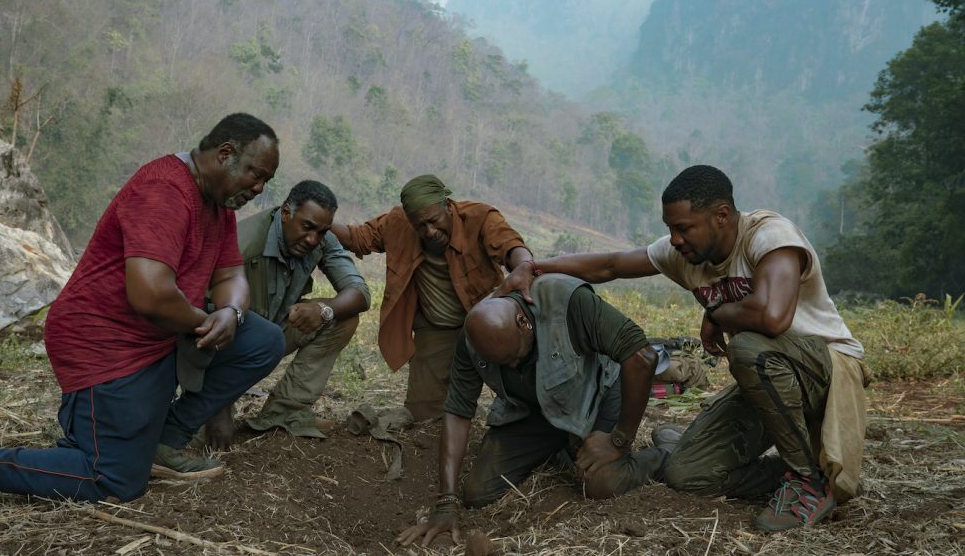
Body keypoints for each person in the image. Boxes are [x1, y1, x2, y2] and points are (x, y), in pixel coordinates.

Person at [499, 164, 868, 531]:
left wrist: (718, 314)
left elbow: (773, 318)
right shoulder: (686, 254)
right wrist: (534, 267)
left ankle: (809, 482)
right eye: (670, 229)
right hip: (769, 384)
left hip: (825, 371)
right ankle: (795, 471)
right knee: (687, 474)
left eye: (683, 228)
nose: (675, 239)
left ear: (721, 216)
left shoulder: (769, 236)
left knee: (751, 350)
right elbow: (610, 265)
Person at [0, 113, 287, 503]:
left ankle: (162, 442)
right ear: (225, 154)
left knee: (263, 340)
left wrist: (231, 314)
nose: (258, 188)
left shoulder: (219, 206)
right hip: (104, 342)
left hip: (160, 337)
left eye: (265, 182)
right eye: (256, 175)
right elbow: (150, 295)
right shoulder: (165, 189)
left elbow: (231, 278)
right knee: (112, 480)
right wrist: (206, 320)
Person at [397, 274, 666, 547]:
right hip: (535, 411)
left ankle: (663, 456)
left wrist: (619, 439)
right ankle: (566, 447)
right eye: (502, 364)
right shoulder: (473, 337)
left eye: (515, 358)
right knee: (478, 493)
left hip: (598, 397)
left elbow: (642, 357)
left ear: (523, 322)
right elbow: (458, 410)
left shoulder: (567, 301)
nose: (513, 368)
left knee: (600, 484)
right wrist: (446, 502)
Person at [330, 174, 533, 420]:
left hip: (487, 324)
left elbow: (510, 245)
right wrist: (321, 222)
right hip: (437, 329)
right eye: (420, 226)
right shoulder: (398, 223)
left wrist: (523, 265)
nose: (430, 231)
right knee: (422, 413)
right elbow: (357, 238)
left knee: (522, 398)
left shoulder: (480, 217)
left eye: (434, 221)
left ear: (448, 206)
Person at [202, 180, 370, 448]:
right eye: (307, 228)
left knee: (342, 316)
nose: (313, 239)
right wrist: (219, 405)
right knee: (200, 432)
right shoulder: (243, 245)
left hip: (272, 334)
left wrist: (324, 310)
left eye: (322, 231)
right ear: (286, 213)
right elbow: (205, 326)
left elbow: (359, 292)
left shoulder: (321, 240)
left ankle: (284, 411)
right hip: (227, 346)